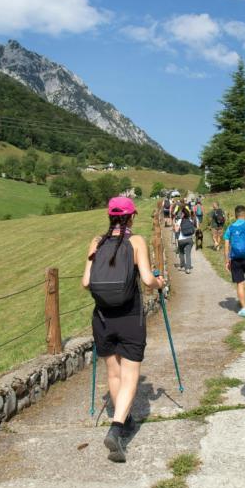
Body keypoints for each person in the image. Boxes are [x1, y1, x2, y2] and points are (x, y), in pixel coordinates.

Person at [83, 196, 165, 463]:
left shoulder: (96, 242)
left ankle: (125, 419)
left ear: (110, 217)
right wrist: (160, 283)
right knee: (131, 375)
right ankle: (117, 429)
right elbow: (146, 279)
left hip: (102, 317)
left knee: (113, 373)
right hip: (130, 316)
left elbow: (86, 282)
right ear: (131, 217)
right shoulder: (137, 241)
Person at [173, 207, 197, 273]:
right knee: (188, 254)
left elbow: (176, 230)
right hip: (189, 239)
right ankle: (188, 268)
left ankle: (182, 266)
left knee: (181, 252)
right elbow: (194, 229)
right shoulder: (190, 221)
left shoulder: (179, 221)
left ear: (182, 214)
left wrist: (175, 226)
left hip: (181, 240)